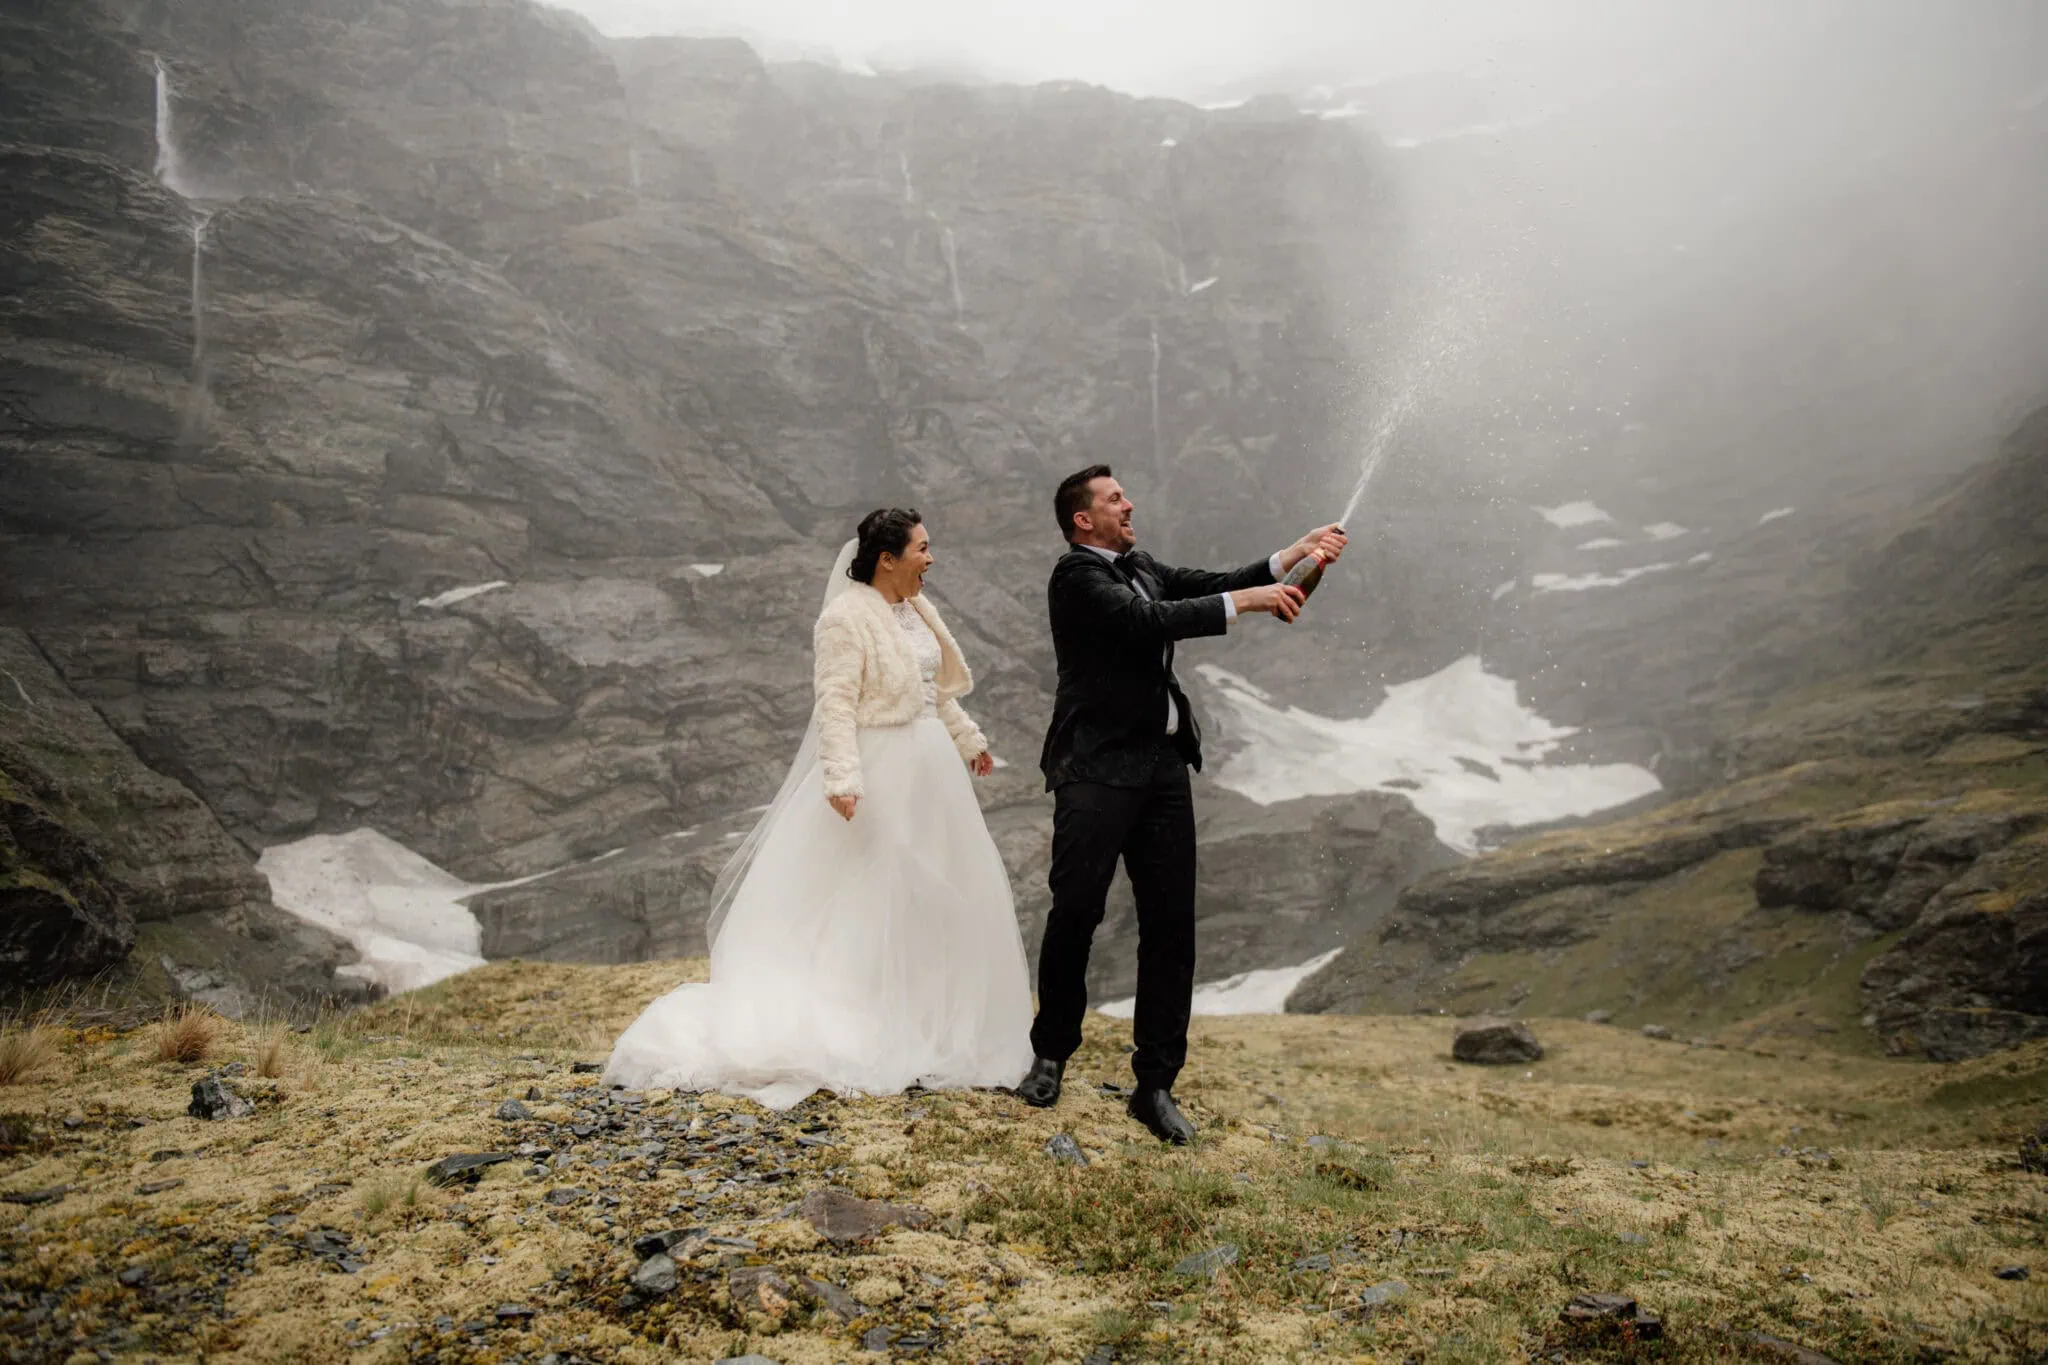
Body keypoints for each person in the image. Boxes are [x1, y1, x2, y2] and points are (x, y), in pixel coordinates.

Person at [604, 509, 1033, 1109]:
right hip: (882, 769)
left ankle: (926, 1020)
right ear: (888, 558)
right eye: (922, 548)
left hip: (931, 769)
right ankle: (863, 1019)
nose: (931, 558)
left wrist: (969, 741)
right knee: (874, 894)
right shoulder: (844, 618)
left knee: (935, 893)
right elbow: (835, 703)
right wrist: (842, 778)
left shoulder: (913, 608)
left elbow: (927, 688)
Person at [1017, 465, 1346, 1143]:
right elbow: (1147, 622)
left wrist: (1296, 551)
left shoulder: (1138, 563)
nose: (1129, 503)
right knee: (1077, 908)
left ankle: (1156, 1084)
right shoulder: (1076, 577)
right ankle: (1050, 1056)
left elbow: (1210, 583)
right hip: (1097, 769)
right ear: (1084, 520)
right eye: (1114, 498)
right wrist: (1256, 602)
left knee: (1171, 926)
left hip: (1165, 769)